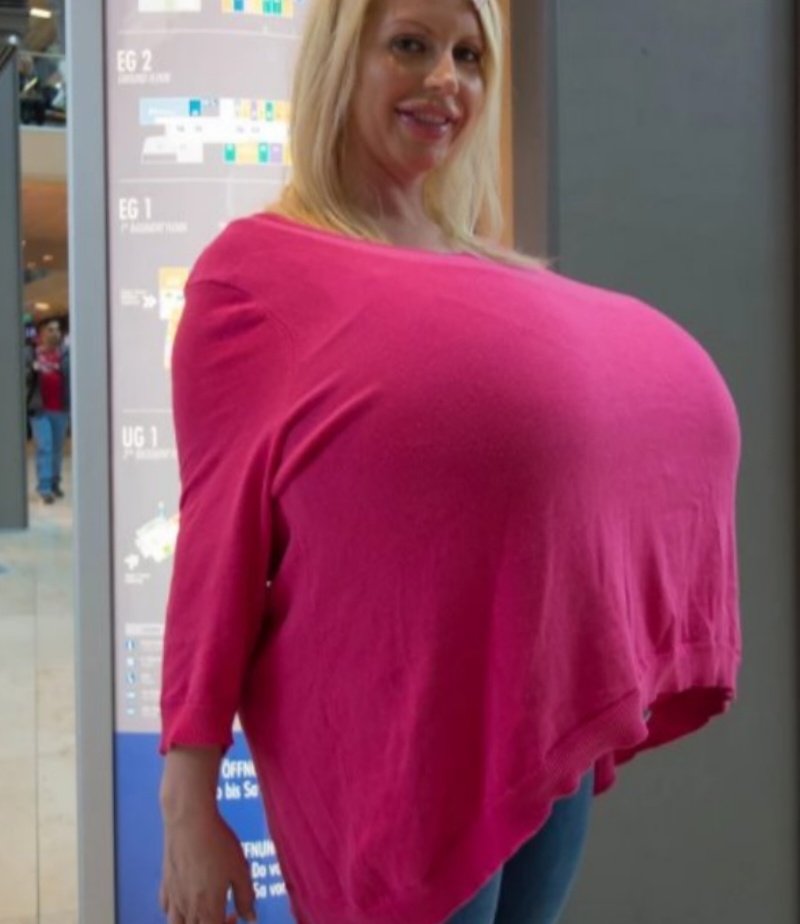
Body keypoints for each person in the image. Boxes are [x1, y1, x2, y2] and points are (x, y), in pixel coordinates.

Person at [158, 1, 742, 923]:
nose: (446, 80)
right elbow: (215, 550)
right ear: (341, 62)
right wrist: (188, 804)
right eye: (411, 45)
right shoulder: (254, 279)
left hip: (540, 706)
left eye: (469, 56)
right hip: (391, 744)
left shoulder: (497, 272)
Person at [26, 317, 70, 505]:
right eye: (50, 330)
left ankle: (54, 484)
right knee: (46, 447)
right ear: (42, 333)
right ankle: (44, 487)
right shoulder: (32, 354)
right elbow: (23, 378)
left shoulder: (66, 354)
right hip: (40, 409)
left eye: (57, 330)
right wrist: (32, 370)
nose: (55, 333)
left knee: (57, 449)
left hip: (61, 408)